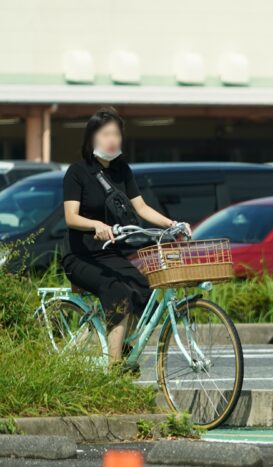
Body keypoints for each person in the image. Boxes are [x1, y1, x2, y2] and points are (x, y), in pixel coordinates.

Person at [61, 106, 191, 367]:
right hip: (81, 256)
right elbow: (71, 217)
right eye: (106, 133)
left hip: (110, 253)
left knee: (145, 288)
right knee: (117, 290)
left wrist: (173, 223)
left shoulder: (122, 170)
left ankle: (123, 343)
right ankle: (114, 366)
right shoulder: (77, 172)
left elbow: (141, 208)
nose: (112, 139)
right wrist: (95, 224)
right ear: (92, 138)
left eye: (116, 134)